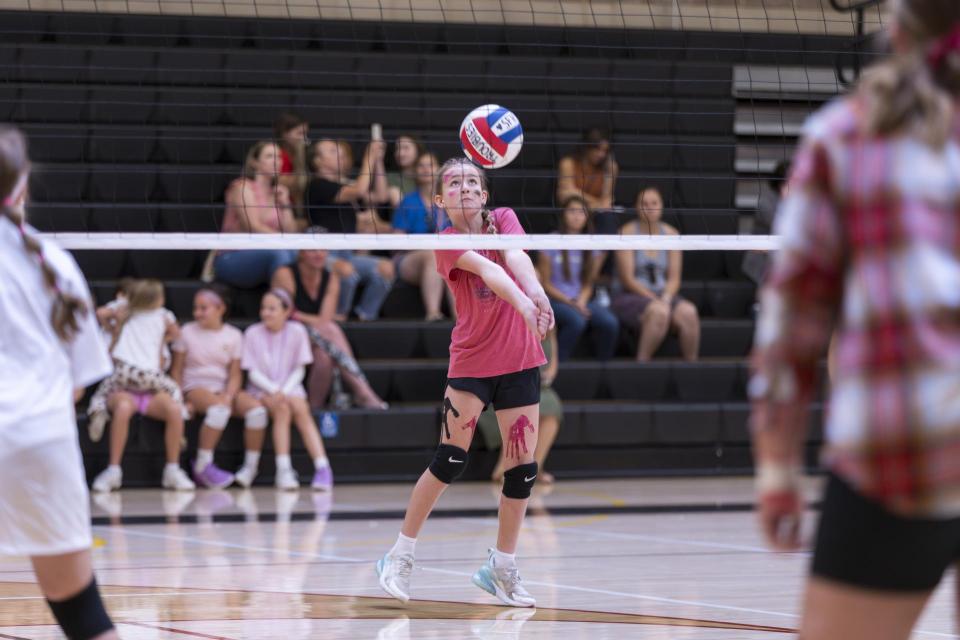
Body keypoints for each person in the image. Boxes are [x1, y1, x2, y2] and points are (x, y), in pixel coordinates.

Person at [751, 5, 960, 639]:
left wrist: (778, 469)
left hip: (905, 447)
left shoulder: (846, 136)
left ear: (895, 32)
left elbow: (791, 328)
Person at [376, 157, 554, 607]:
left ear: (485, 193)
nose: (466, 187)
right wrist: (525, 305)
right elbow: (492, 273)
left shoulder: (504, 219)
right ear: (441, 199)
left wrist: (538, 294)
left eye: (473, 181)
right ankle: (399, 555)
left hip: (519, 360)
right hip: (473, 363)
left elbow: (516, 260)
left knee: (522, 471)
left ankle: (502, 568)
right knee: (450, 460)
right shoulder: (446, 241)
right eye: (454, 183)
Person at [0, 125, 119, 640]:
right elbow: (78, 384)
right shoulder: (53, 262)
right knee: (81, 613)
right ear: (22, 186)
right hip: (41, 441)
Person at [88, 279, 196, 493]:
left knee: (173, 409)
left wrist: (161, 341)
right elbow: (101, 315)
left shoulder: (153, 315)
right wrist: (115, 325)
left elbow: (175, 334)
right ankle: (113, 470)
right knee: (125, 407)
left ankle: (173, 469)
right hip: (129, 386)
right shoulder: (131, 313)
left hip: (146, 385)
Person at [170, 285, 270, 489]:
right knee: (219, 410)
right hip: (195, 386)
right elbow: (176, 371)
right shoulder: (186, 332)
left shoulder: (233, 335)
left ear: (220, 309)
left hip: (222, 387)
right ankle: (202, 465)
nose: (197, 313)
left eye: (203, 308)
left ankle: (250, 467)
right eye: (195, 308)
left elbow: (235, 374)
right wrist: (179, 398)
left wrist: (229, 394)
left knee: (257, 411)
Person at [271, 246, 388, 410]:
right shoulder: (286, 273)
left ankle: (313, 409)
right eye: (312, 249)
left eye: (323, 249)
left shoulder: (331, 276)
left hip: (318, 337)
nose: (318, 253)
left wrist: (306, 318)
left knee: (324, 358)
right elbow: (286, 313)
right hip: (288, 330)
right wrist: (311, 319)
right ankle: (362, 390)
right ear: (301, 253)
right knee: (331, 329)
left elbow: (324, 318)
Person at [242, 288, 334, 490]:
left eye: (272, 308)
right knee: (282, 409)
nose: (266, 312)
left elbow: (299, 368)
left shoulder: (297, 331)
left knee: (301, 410)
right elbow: (252, 372)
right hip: (262, 388)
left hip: (290, 386)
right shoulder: (252, 333)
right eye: (264, 308)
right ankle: (284, 469)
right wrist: (274, 390)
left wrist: (284, 389)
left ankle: (322, 467)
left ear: (286, 311)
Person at [304, 138, 395, 319]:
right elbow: (360, 190)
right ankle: (338, 316)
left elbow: (381, 195)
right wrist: (368, 156)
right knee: (346, 272)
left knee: (387, 268)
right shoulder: (317, 185)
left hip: (346, 253)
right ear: (317, 161)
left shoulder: (344, 187)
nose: (340, 153)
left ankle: (364, 317)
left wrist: (377, 161)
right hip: (323, 254)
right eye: (332, 151)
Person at [612, 187, 700, 361]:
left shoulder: (671, 234)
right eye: (644, 203)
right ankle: (642, 364)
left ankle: (692, 367)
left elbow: (674, 279)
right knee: (660, 311)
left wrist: (666, 297)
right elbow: (627, 279)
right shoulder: (626, 233)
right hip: (631, 295)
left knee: (689, 312)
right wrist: (655, 300)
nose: (649, 207)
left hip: (662, 294)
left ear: (661, 206)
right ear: (637, 207)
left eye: (654, 203)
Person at [538, 196, 618, 360]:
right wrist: (571, 302)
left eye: (581, 212)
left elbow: (589, 282)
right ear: (563, 214)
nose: (576, 216)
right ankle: (557, 365)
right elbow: (545, 283)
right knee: (577, 321)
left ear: (587, 216)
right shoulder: (551, 240)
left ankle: (603, 368)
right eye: (572, 211)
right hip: (555, 299)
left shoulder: (589, 243)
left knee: (610, 323)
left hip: (581, 300)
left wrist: (581, 301)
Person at [213, 141, 299, 289]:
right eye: (269, 156)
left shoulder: (277, 191)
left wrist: (285, 205)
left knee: (300, 254)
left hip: (268, 252)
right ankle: (284, 307)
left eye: (278, 157)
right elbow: (252, 226)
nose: (276, 161)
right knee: (280, 253)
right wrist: (283, 240)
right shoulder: (242, 187)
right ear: (254, 163)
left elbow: (291, 231)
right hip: (233, 256)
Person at [487, 328, 563, 484]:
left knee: (552, 406)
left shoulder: (549, 326)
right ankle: (507, 467)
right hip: (509, 383)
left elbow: (553, 364)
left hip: (541, 387)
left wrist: (547, 376)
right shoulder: (512, 322)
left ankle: (534, 467)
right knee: (520, 404)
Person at [393, 151, 454, 321]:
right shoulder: (407, 202)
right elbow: (397, 241)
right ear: (415, 171)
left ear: (439, 170)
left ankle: (462, 320)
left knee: (453, 258)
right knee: (433, 255)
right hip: (408, 259)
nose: (426, 169)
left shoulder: (450, 203)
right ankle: (433, 314)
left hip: (444, 259)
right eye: (421, 165)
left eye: (431, 165)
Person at [556, 128, 617, 211]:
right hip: (573, 212)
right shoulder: (568, 163)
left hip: (597, 213)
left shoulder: (610, 167)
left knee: (608, 217)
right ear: (587, 147)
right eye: (597, 149)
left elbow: (606, 202)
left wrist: (576, 193)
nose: (601, 154)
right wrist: (597, 202)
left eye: (605, 151)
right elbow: (565, 196)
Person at [274, 111, 310, 212]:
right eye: (299, 133)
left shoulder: (298, 155)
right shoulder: (279, 156)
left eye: (306, 134)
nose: (304, 138)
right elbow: (284, 184)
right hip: (280, 208)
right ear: (284, 134)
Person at [386, 134, 426, 208]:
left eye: (406, 148)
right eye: (397, 148)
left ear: (418, 150)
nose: (400, 153)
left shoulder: (428, 177)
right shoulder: (390, 178)